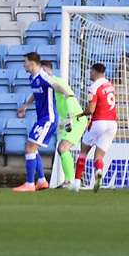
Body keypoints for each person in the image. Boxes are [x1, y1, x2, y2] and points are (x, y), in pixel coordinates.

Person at [14, 51, 73, 192]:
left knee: (30, 147)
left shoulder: (43, 76)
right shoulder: (32, 78)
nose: (24, 64)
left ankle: (29, 184)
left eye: (25, 62)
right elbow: (36, 93)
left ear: (32, 63)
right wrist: (26, 106)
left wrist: (66, 93)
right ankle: (41, 181)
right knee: (33, 148)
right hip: (42, 118)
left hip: (49, 118)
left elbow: (55, 85)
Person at [45, 60, 88, 191]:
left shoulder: (57, 82)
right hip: (67, 119)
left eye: (43, 71)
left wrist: (69, 119)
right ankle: (71, 180)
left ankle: (70, 181)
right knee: (61, 148)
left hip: (75, 118)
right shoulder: (51, 84)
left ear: (47, 70)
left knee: (63, 147)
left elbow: (68, 95)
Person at [78, 63, 118, 192]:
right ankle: (99, 171)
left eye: (90, 71)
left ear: (94, 72)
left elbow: (91, 109)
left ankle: (76, 182)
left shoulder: (94, 87)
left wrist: (81, 114)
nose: (90, 74)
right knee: (99, 156)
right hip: (112, 124)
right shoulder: (110, 85)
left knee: (83, 151)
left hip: (99, 122)